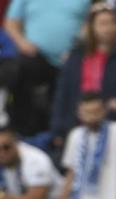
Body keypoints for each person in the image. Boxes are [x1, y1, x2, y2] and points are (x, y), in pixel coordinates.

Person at [49, 3, 116, 146]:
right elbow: (62, 93)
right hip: (76, 121)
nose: (108, 28)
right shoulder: (76, 56)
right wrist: (58, 129)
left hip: (110, 120)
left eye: (112, 23)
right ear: (91, 27)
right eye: (103, 24)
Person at [0, 0, 92, 136]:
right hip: (34, 56)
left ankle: (64, 134)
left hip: (73, 57)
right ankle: (23, 131)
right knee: (18, 69)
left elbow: (90, 24)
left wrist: (77, 47)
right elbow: (11, 23)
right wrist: (21, 42)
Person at [48, 93, 116, 199]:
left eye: (96, 111)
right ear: (79, 113)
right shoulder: (75, 135)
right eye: (87, 112)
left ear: (104, 111)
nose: (92, 116)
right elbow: (71, 174)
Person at [0, 125, 63, 199]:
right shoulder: (8, 162)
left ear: (16, 143)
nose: (2, 152)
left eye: (6, 147)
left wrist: (2, 196)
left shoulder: (35, 160)